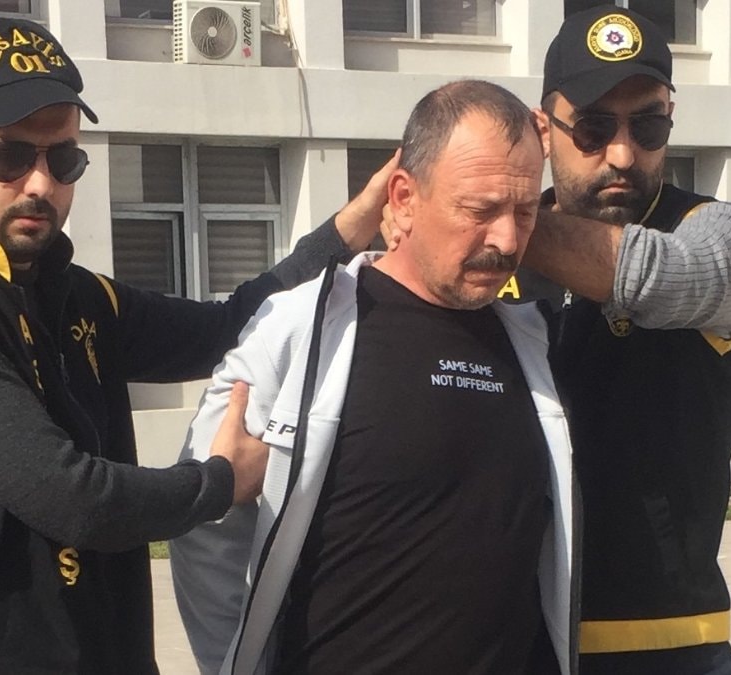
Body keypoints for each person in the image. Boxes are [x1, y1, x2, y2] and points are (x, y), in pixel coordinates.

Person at [0, 17, 387, 675]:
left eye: (63, 158)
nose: (40, 184)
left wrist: (351, 228)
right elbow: (69, 496)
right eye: (9, 156)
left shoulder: (71, 294)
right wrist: (221, 481)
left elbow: (228, 327)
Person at [169, 80, 577, 675]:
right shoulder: (300, 329)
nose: (507, 239)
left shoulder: (536, 343)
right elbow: (206, 526)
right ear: (404, 198)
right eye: (480, 210)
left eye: (524, 212)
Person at [517, 7, 731, 675]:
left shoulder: (719, 235)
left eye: (648, 126)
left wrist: (481, 216)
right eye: (594, 128)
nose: (623, 155)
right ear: (544, 131)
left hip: (665, 643)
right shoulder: (498, 257)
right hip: (510, 637)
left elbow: (664, 276)